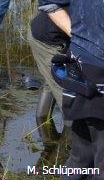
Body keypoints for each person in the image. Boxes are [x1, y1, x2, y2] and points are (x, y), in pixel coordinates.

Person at [38, 0, 104, 177]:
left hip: (78, 69)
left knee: (80, 157)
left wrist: (80, 38)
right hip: (96, 73)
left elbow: (48, 2)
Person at [29, 10, 70, 140]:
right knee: (68, 94)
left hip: (54, 36)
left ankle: (46, 137)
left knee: (51, 80)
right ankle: (67, 152)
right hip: (47, 40)